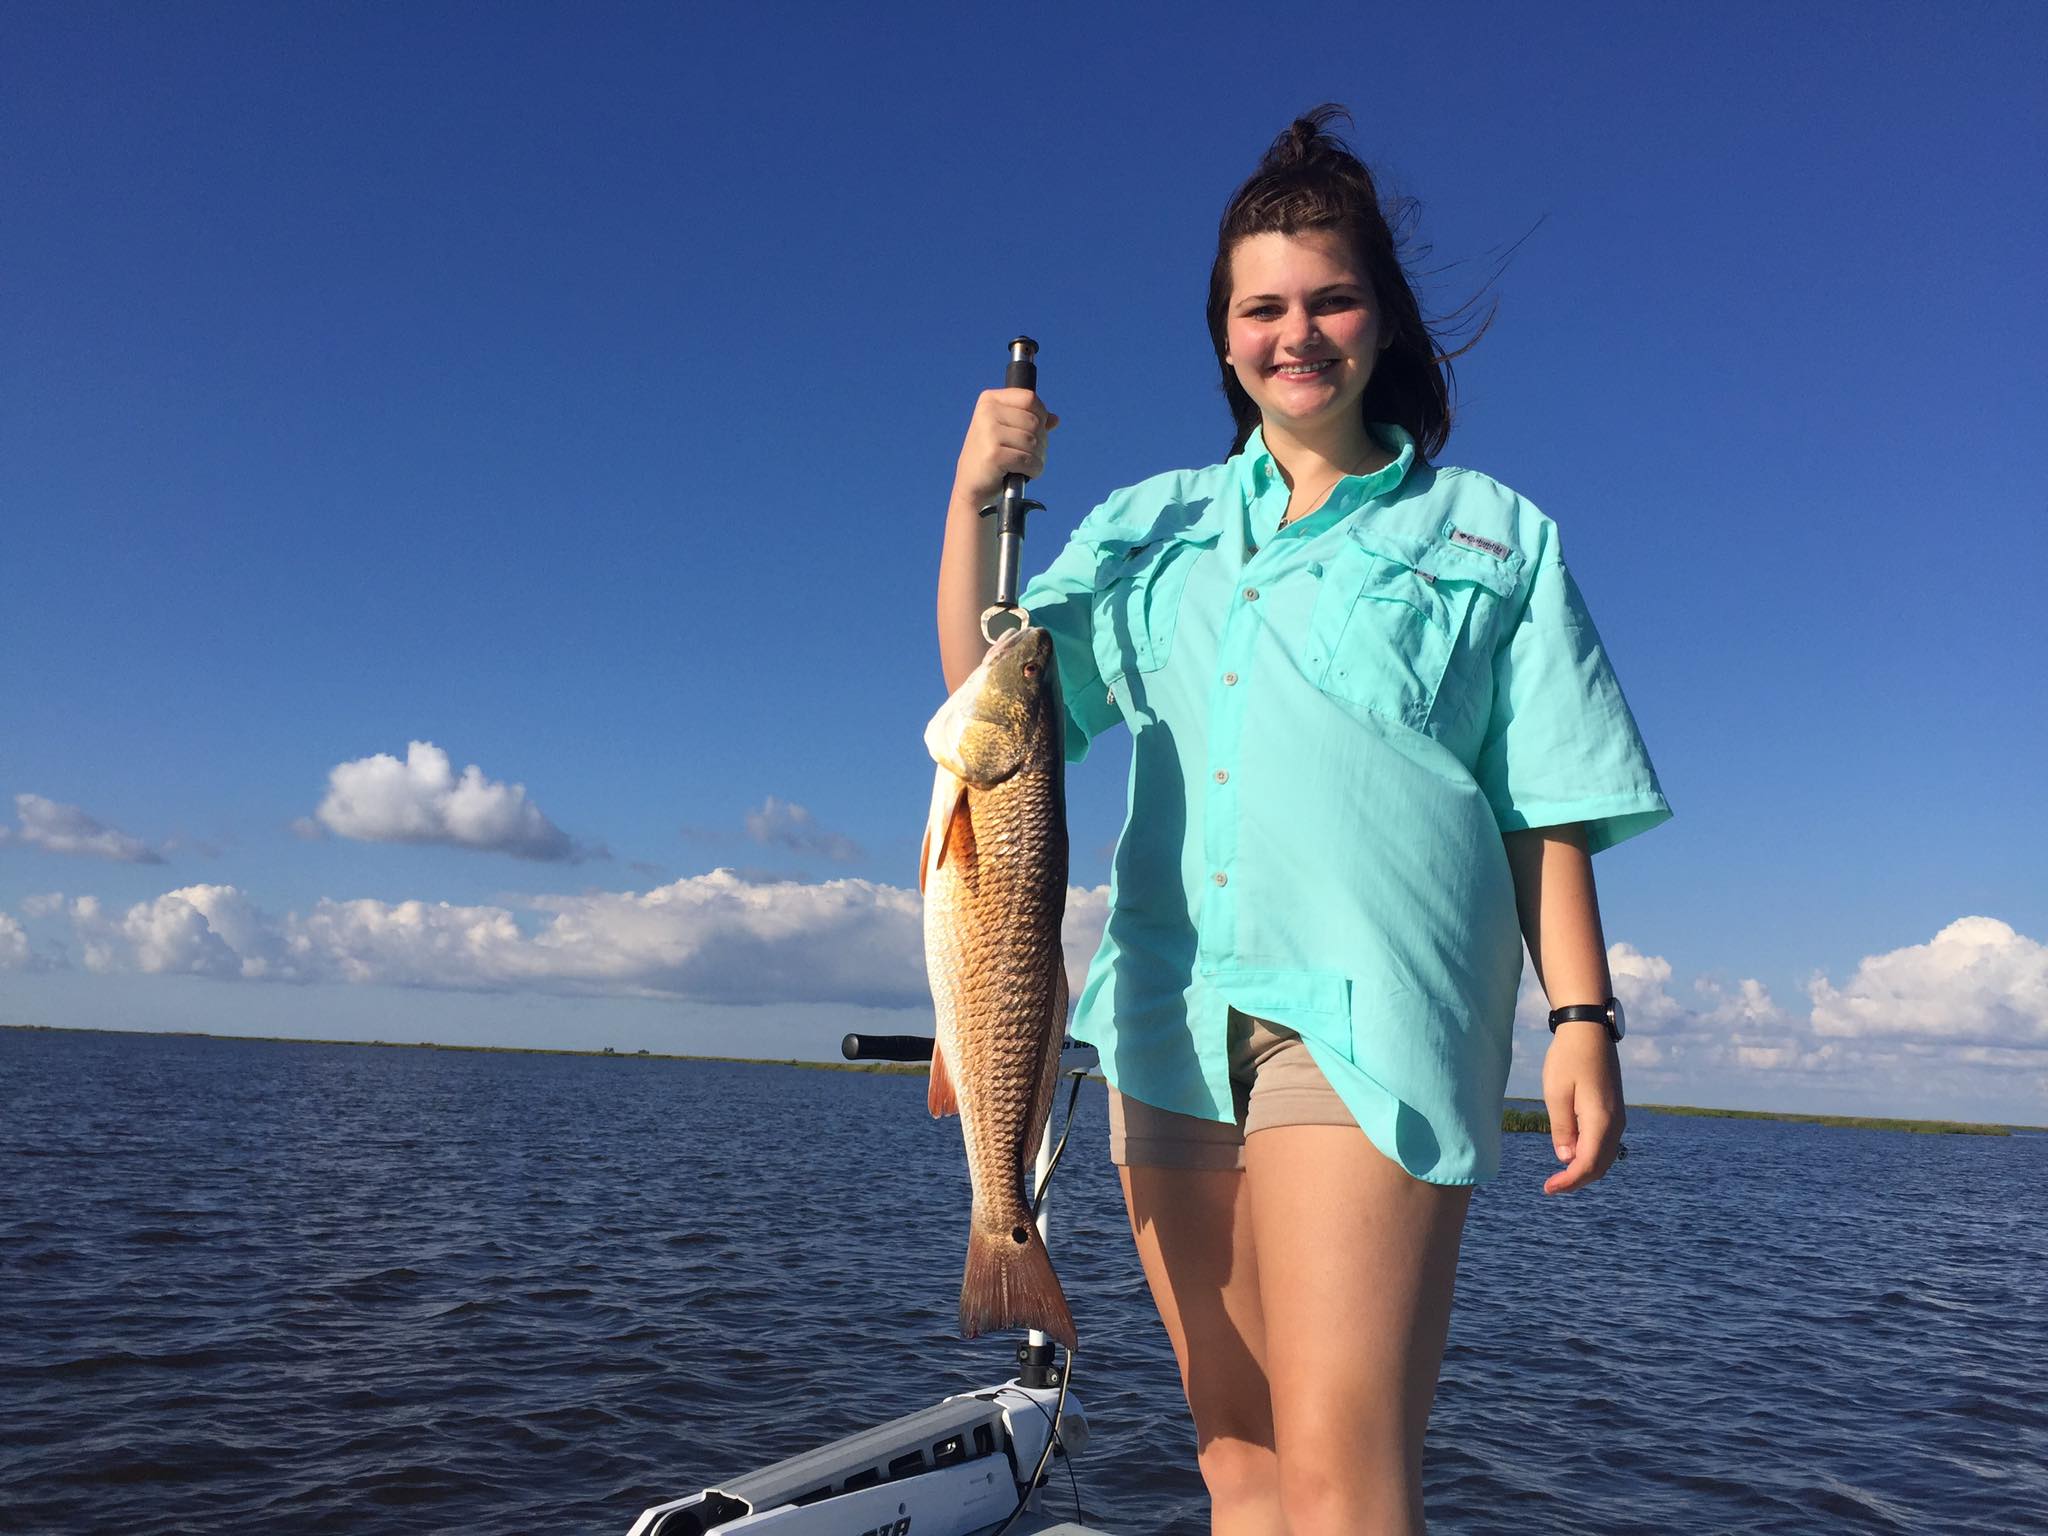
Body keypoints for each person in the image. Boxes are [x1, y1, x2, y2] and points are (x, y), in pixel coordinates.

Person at [934, 105, 1669, 1536]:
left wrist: (1582, 1018)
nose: (1298, 332)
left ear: (1382, 321)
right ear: (1222, 338)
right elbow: (991, 710)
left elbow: (1546, 807)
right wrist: (974, 495)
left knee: (1342, 1469)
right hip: (1167, 1012)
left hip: (1369, 1013)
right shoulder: (1151, 530)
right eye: (1261, 307)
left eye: (1331, 298)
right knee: (1240, 1464)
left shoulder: (1494, 535)